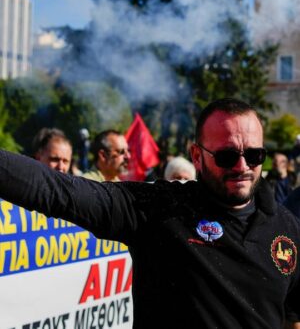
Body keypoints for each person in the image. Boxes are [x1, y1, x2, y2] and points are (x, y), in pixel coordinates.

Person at [0, 98, 299, 329]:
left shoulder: (288, 229)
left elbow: (291, 315)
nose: (242, 166)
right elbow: (57, 191)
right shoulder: (159, 209)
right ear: (197, 156)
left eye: (255, 154)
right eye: (227, 155)